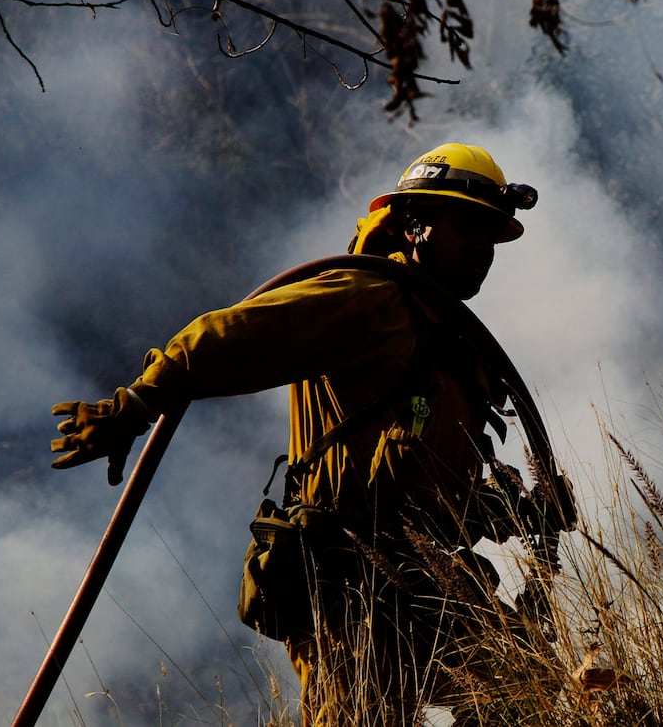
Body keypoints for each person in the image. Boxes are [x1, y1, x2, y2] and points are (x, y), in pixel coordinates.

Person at [48, 143, 569, 725]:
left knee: (528, 689)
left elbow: (421, 487)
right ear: (417, 225)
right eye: (469, 227)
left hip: (419, 586)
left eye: (492, 238)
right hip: (345, 590)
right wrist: (138, 403)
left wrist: (513, 513)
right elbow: (237, 335)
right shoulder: (368, 299)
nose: (484, 251)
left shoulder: (451, 344)